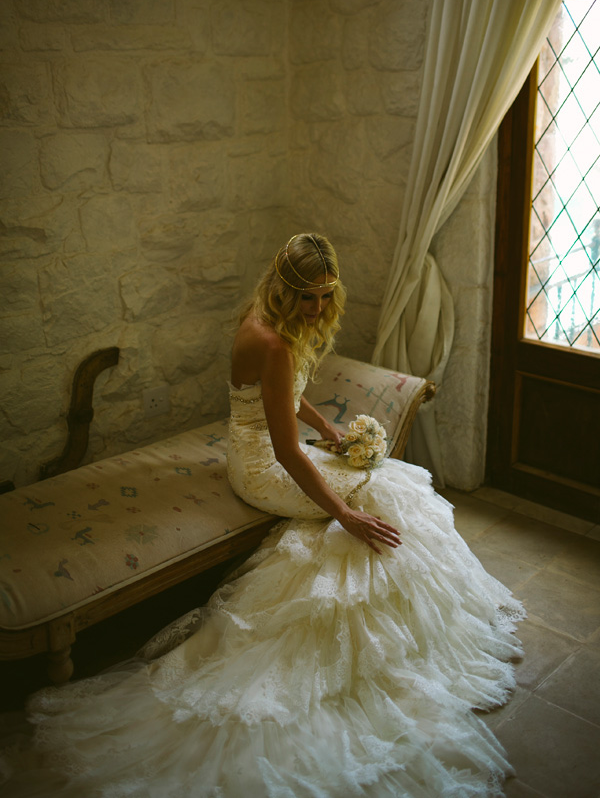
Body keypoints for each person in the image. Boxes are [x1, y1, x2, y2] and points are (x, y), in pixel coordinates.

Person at [1, 233, 525, 798]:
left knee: (384, 484)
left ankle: (406, 629)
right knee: (381, 494)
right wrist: (344, 513)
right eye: (308, 298)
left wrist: (329, 429)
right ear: (285, 290)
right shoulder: (271, 342)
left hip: (260, 447)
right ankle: (371, 645)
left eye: (326, 296)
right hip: (260, 468)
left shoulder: (268, 318)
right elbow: (284, 451)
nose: (318, 309)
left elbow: (286, 396)